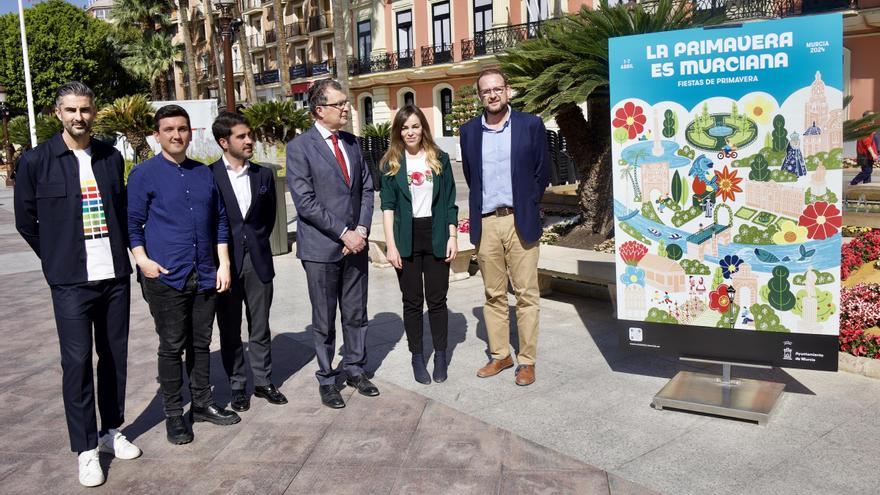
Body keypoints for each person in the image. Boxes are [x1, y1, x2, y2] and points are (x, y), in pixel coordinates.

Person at [14, 82, 141, 487]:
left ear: (94, 111)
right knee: (76, 363)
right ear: (58, 113)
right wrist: (56, 258)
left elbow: (120, 210)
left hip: (114, 276)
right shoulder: (36, 161)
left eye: (85, 110)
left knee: (114, 357)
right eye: (71, 110)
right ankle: (86, 449)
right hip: (70, 281)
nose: (79, 117)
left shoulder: (109, 156)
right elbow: (25, 221)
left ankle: (111, 432)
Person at [127, 105, 240, 446]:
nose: (176, 135)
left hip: (205, 273)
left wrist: (224, 263)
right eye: (169, 129)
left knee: (202, 343)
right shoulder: (143, 174)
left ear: (191, 133)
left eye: (182, 129)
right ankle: (174, 413)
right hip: (165, 275)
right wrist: (144, 261)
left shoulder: (204, 173)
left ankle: (202, 403)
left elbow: (220, 220)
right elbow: (131, 225)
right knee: (172, 346)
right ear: (157, 134)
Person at [286, 79, 379, 408]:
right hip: (322, 250)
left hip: (356, 246)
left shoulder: (353, 143)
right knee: (324, 318)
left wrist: (363, 230)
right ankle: (327, 378)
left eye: (346, 102)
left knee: (356, 313)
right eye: (339, 103)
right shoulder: (299, 148)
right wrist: (344, 232)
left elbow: (366, 188)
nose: (346, 108)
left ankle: (355, 368)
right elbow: (306, 202)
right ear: (319, 109)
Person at [459, 68, 549, 386]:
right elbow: (473, 177)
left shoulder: (530, 125)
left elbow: (543, 171)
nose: (493, 95)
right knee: (493, 294)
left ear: (508, 91)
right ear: (480, 96)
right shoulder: (468, 132)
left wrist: (527, 202)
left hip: (519, 219)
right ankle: (500, 355)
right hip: (486, 223)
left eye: (498, 89)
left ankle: (526, 361)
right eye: (486, 91)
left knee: (526, 294)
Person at [210, 112, 287, 411]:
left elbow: (268, 219)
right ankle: (238, 385)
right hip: (225, 265)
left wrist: (254, 244)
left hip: (258, 261)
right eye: (241, 136)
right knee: (229, 329)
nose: (249, 140)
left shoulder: (263, 175)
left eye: (249, 134)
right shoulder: (209, 176)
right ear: (223, 142)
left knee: (260, 325)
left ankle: (264, 382)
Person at [379, 105, 459, 385]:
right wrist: (390, 245)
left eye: (415, 126)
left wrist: (453, 236)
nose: (410, 132)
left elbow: (449, 202)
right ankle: (417, 356)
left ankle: (439, 355)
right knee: (412, 302)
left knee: (437, 301)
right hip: (406, 238)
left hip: (435, 234)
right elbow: (387, 207)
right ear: (398, 132)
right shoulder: (391, 162)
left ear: (423, 127)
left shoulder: (440, 159)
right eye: (404, 127)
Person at [852, 111, 878, 185]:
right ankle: (853, 182)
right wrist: (873, 153)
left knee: (867, 173)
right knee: (867, 171)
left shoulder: (868, 127)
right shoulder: (864, 127)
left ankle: (866, 187)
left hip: (867, 154)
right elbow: (866, 142)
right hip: (864, 154)